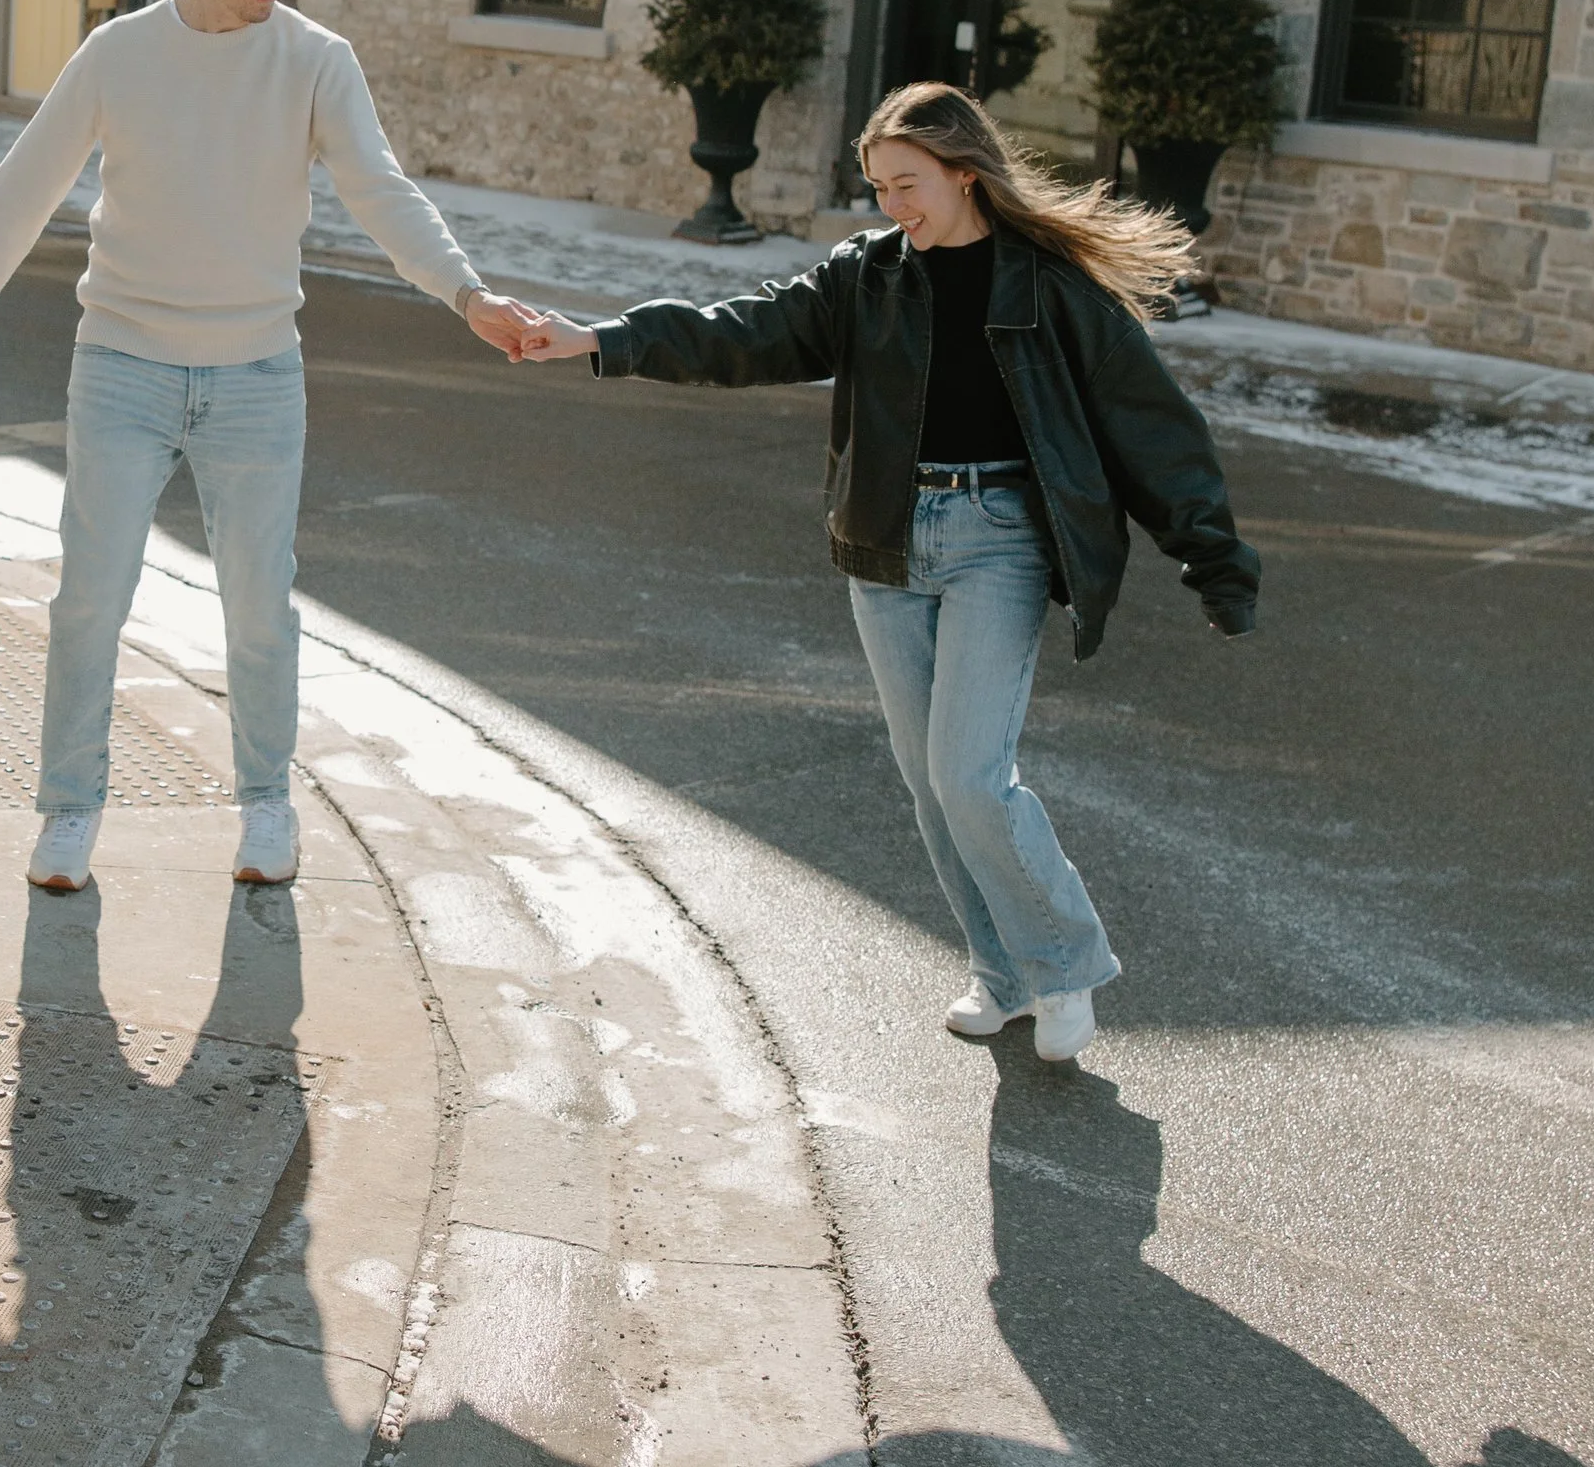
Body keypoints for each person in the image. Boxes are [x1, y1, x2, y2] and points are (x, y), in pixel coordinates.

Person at [515, 81, 1257, 1063]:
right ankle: (1003, 978)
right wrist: (604, 338)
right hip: (887, 544)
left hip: (999, 538)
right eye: (876, 188)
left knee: (970, 776)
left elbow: (1148, 424)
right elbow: (745, 332)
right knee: (928, 783)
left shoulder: (1047, 284)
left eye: (905, 183)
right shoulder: (867, 278)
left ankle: (1065, 964)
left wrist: (1214, 558)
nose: (890, 205)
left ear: (963, 173)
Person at [0, 0, 536, 893]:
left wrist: (466, 295)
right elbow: (23, 186)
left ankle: (266, 806)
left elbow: (381, 191)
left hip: (255, 375)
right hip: (122, 365)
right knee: (90, 602)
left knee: (258, 606)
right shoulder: (119, 53)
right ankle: (67, 813)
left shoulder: (315, 60)